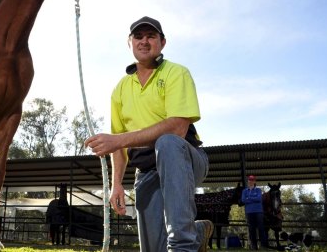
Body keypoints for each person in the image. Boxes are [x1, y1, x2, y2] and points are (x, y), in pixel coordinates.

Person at [84, 16, 210, 252]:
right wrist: (117, 184)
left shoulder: (176, 73)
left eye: (151, 36)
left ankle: (184, 245)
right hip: (147, 171)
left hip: (186, 160)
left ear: (162, 42)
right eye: (138, 36)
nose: (144, 41)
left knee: (168, 142)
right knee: (152, 249)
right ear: (129, 43)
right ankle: (198, 231)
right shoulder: (120, 89)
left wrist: (118, 140)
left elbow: (177, 128)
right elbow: (118, 148)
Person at [241, 175, 268, 250]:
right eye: (249, 180)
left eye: (252, 180)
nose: (251, 181)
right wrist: (253, 198)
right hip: (249, 212)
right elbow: (243, 200)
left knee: (261, 228)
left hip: (258, 211)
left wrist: (249, 198)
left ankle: (263, 245)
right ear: (248, 181)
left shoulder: (258, 190)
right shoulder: (244, 191)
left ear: (254, 181)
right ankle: (254, 246)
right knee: (251, 229)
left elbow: (259, 199)